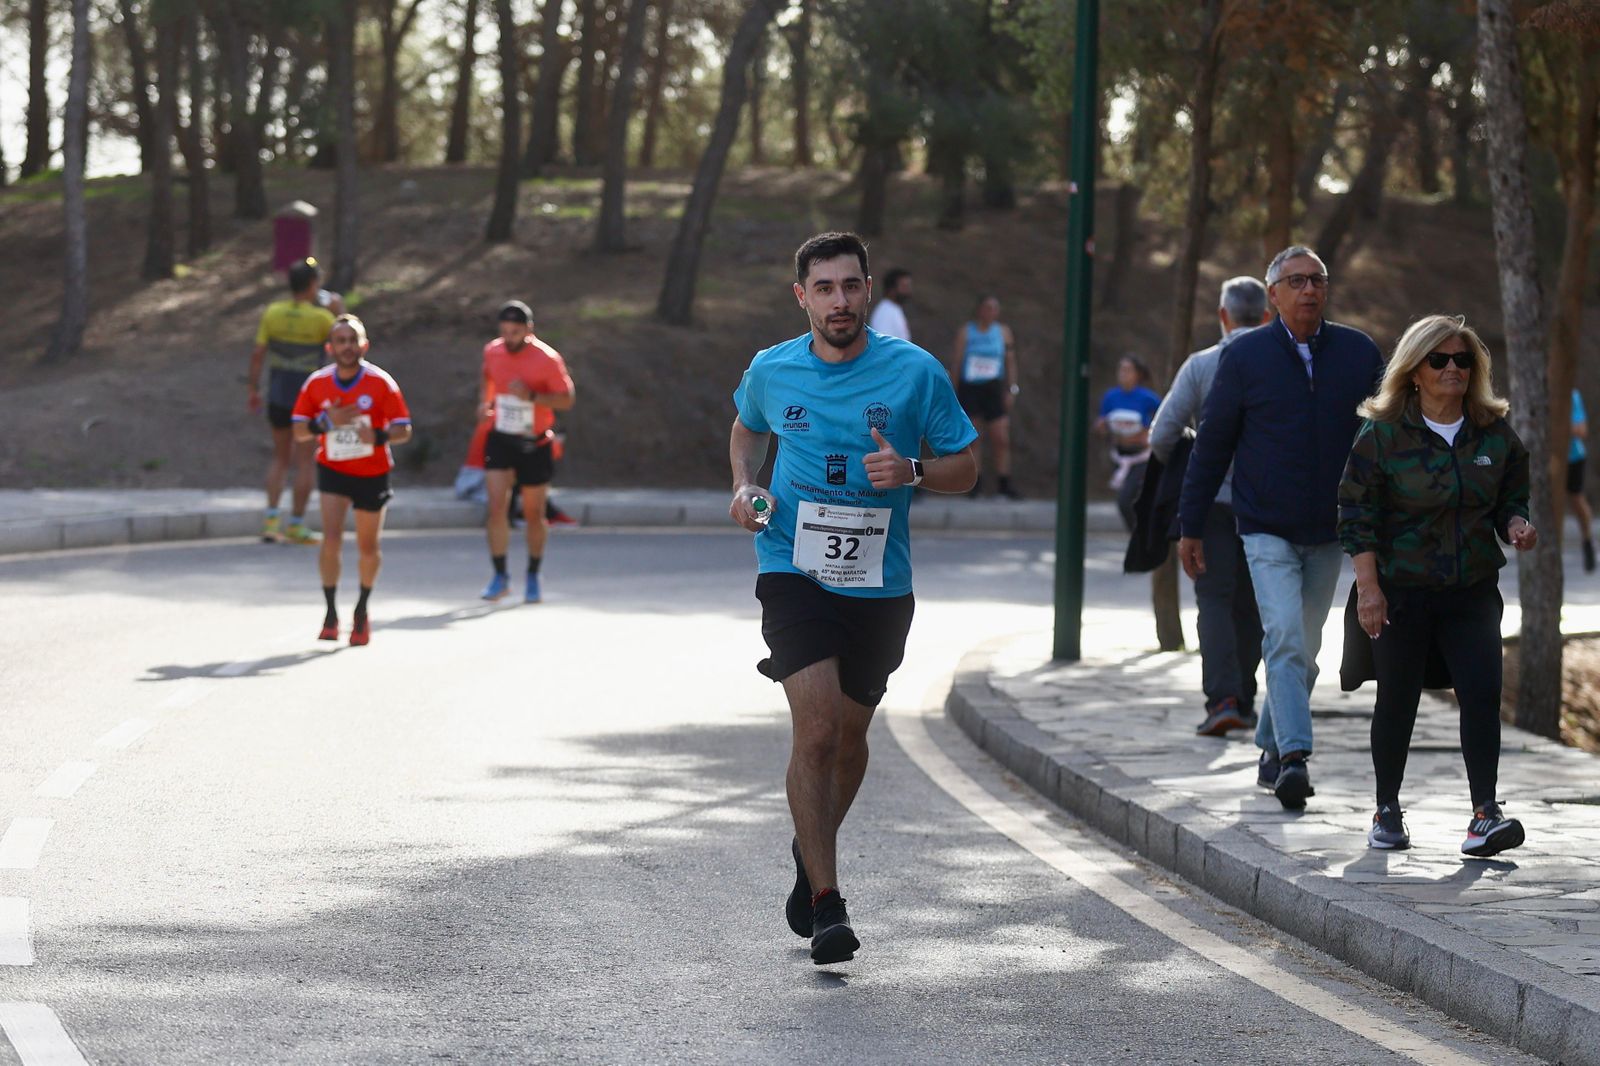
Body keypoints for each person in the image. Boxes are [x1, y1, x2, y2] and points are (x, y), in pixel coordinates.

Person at [729, 232, 977, 965]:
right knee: (817, 730)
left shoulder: (915, 373)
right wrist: (744, 485)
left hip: (880, 583)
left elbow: (966, 465)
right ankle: (829, 904)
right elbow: (746, 430)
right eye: (825, 288)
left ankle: (810, 855)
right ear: (800, 295)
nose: (840, 301)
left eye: (851, 286)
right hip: (792, 569)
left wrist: (913, 470)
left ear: (868, 291)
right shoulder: (772, 370)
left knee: (851, 736)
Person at [1178, 245, 1384, 810]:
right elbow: (1213, 443)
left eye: (1317, 280)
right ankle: (1294, 759)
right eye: (1295, 281)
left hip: (1328, 530)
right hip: (1263, 526)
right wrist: (1189, 525)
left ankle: (1269, 746)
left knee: (1306, 646)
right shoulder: (1245, 358)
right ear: (1273, 295)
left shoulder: (1358, 352)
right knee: (1286, 638)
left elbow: (1384, 438)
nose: (1309, 290)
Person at [1339, 314, 1535, 856]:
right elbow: (1355, 515)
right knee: (1397, 701)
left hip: (1471, 591)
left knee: (1480, 694)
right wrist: (1369, 590)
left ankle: (1484, 815)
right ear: (1415, 370)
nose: (1453, 368)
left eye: (1464, 360)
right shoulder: (1382, 434)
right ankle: (1386, 810)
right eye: (1440, 359)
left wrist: (1515, 524)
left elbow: (1510, 498)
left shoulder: (1494, 434)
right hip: (1400, 592)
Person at [1150, 278, 1272, 737]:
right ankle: (1244, 696)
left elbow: (1162, 435)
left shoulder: (1201, 365)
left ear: (1222, 316)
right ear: (1266, 315)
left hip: (1214, 505)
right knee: (1255, 605)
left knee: (1214, 601)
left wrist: (1186, 459)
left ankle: (1222, 699)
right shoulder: (1282, 364)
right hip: (1268, 507)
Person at [290, 315, 413, 646]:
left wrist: (377, 435)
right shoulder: (316, 383)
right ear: (330, 347)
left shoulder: (381, 383)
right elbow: (299, 430)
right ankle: (330, 612)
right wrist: (324, 422)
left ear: (364, 345)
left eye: (352, 340)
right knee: (330, 539)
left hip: (372, 472)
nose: (347, 346)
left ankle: (361, 609)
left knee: (367, 546)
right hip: (333, 468)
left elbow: (404, 429)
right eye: (340, 341)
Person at [477, 300, 576, 603]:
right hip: (501, 436)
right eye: (505, 331)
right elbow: (488, 378)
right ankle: (499, 575)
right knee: (496, 508)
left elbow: (567, 400)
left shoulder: (547, 358)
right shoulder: (492, 350)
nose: (509, 337)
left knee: (534, 513)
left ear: (529, 330)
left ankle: (533, 573)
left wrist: (532, 395)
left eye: (516, 331)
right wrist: (485, 403)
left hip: (534, 442)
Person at [248, 257, 335, 545]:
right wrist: (339, 310)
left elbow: (259, 354)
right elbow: (340, 355)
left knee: (280, 458)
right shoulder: (322, 319)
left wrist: (253, 389)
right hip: (309, 401)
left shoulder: (273, 313)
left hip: (278, 395)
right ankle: (296, 524)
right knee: (305, 462)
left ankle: (271, 522)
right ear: (312, 285)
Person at [951, 295, 1021, 499]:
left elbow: (1010, 360)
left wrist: (1012, 388)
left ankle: (1003, 482)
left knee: (1001, 436)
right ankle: (975, 483)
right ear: (979, 310)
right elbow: (957, 361)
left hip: (993, 387)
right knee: (974, 438)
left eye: (994, 308)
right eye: (987, 308)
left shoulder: (1003, 332)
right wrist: (953, 391)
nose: (991, 312)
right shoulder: (967, 332)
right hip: (970, 387)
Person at [1097, 355, 1162, 527]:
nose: (1123, 374)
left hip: (1141, 457)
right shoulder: (1111, 397)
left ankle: (1139, 536)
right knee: (1131, 502)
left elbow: (1166, 419)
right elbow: (1102, 423)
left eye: (1128, 370)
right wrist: (1103, 426)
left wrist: (1149, 434)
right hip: (1120, 456)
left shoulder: (1148, 398)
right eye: (1121, 369)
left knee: (1125, 501)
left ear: (1138, 374)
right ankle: (1139, 537)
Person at [1567, 388, 1595, 574]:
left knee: (1576, 499)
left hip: (1573, 457)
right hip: (1548, 460)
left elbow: (1581, 429)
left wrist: (1561, 425)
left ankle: (1587, 541)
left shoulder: (1572, 396)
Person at [867, 267, 913, 341]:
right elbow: (884, 345)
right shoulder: (885, 313)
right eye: (904, 286)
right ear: (892, 289)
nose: (908, 291)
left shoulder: (894, 309)